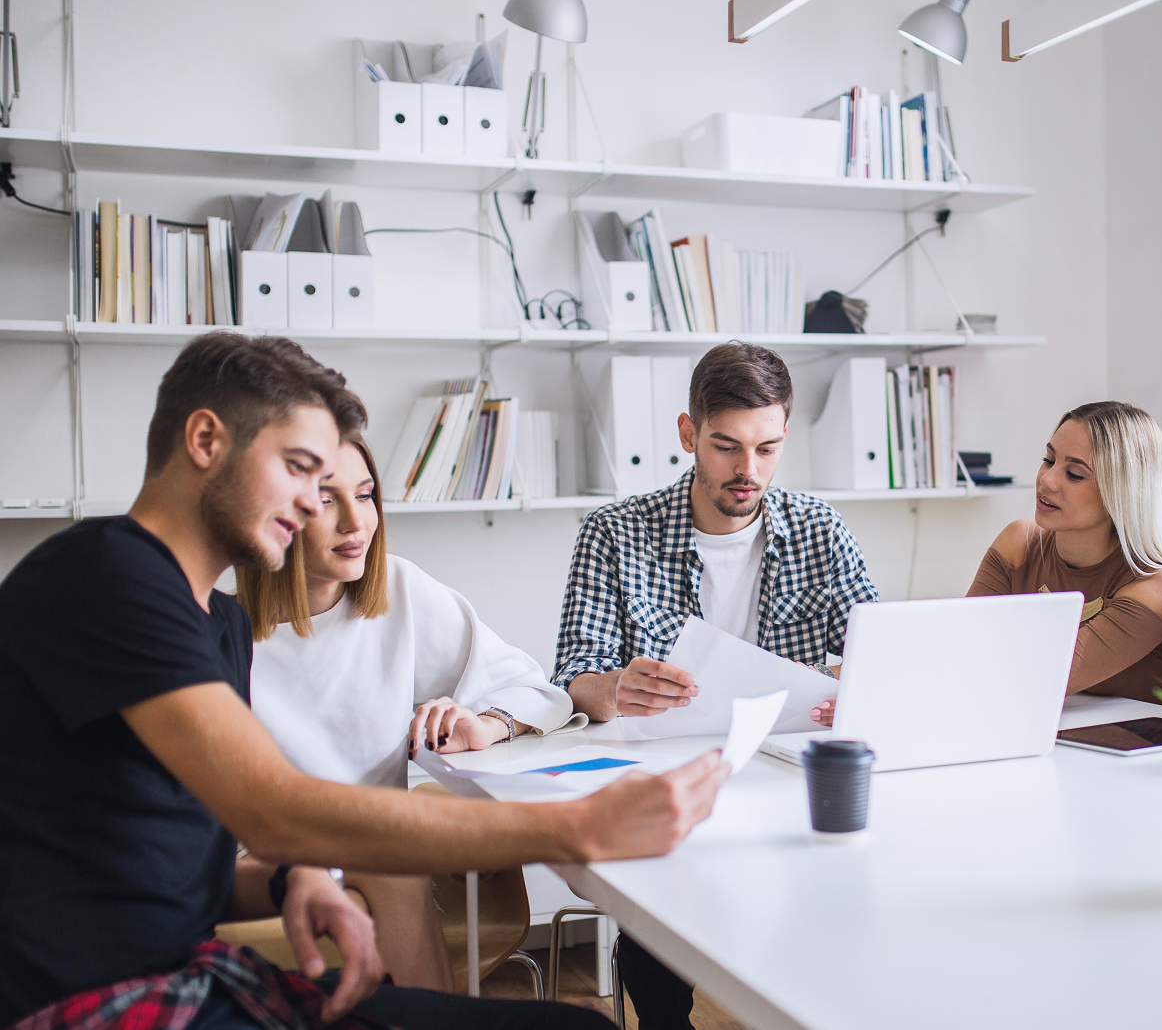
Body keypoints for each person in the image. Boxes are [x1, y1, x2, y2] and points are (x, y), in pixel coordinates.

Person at [0, 332, 728, 1030]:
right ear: (205, 441)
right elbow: (274, 811)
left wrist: (293, 879)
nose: (313, 503)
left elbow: (173, 864)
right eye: (299, 470)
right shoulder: (105, 575)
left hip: (194, 971)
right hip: (102, 999)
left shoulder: (211, 624)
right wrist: (582, 823)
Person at [554, 341, 878, 1030]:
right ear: (687, 433)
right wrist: (613, 687)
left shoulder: (819, 531)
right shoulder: (614, 533)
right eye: (727, 446)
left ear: (785, 434)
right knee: (659, 925)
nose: (747, 470)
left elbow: (876, 652)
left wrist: (855, 681)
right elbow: (572, 676)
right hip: (660, 775)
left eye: (766, 448)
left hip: (779, 778)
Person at [237, 432, 585, 990]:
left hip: (382, 859)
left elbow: (536, 690)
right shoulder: (217, 634)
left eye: (366, 493)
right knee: (391, 864)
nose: (357, 522)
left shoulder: (397, 590)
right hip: (261, 873)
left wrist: (485, 723)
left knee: (392, 863)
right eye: (328, 500)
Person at [963, 401, 1162, 707]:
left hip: (1154, 747)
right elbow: (964, 651)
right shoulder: (1018, 544)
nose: (1047, 480)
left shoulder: (1159, 586)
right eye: (1048, 460)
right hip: (1055, 736)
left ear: (1123, 491)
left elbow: (1039, 679)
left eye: (1075, 474)